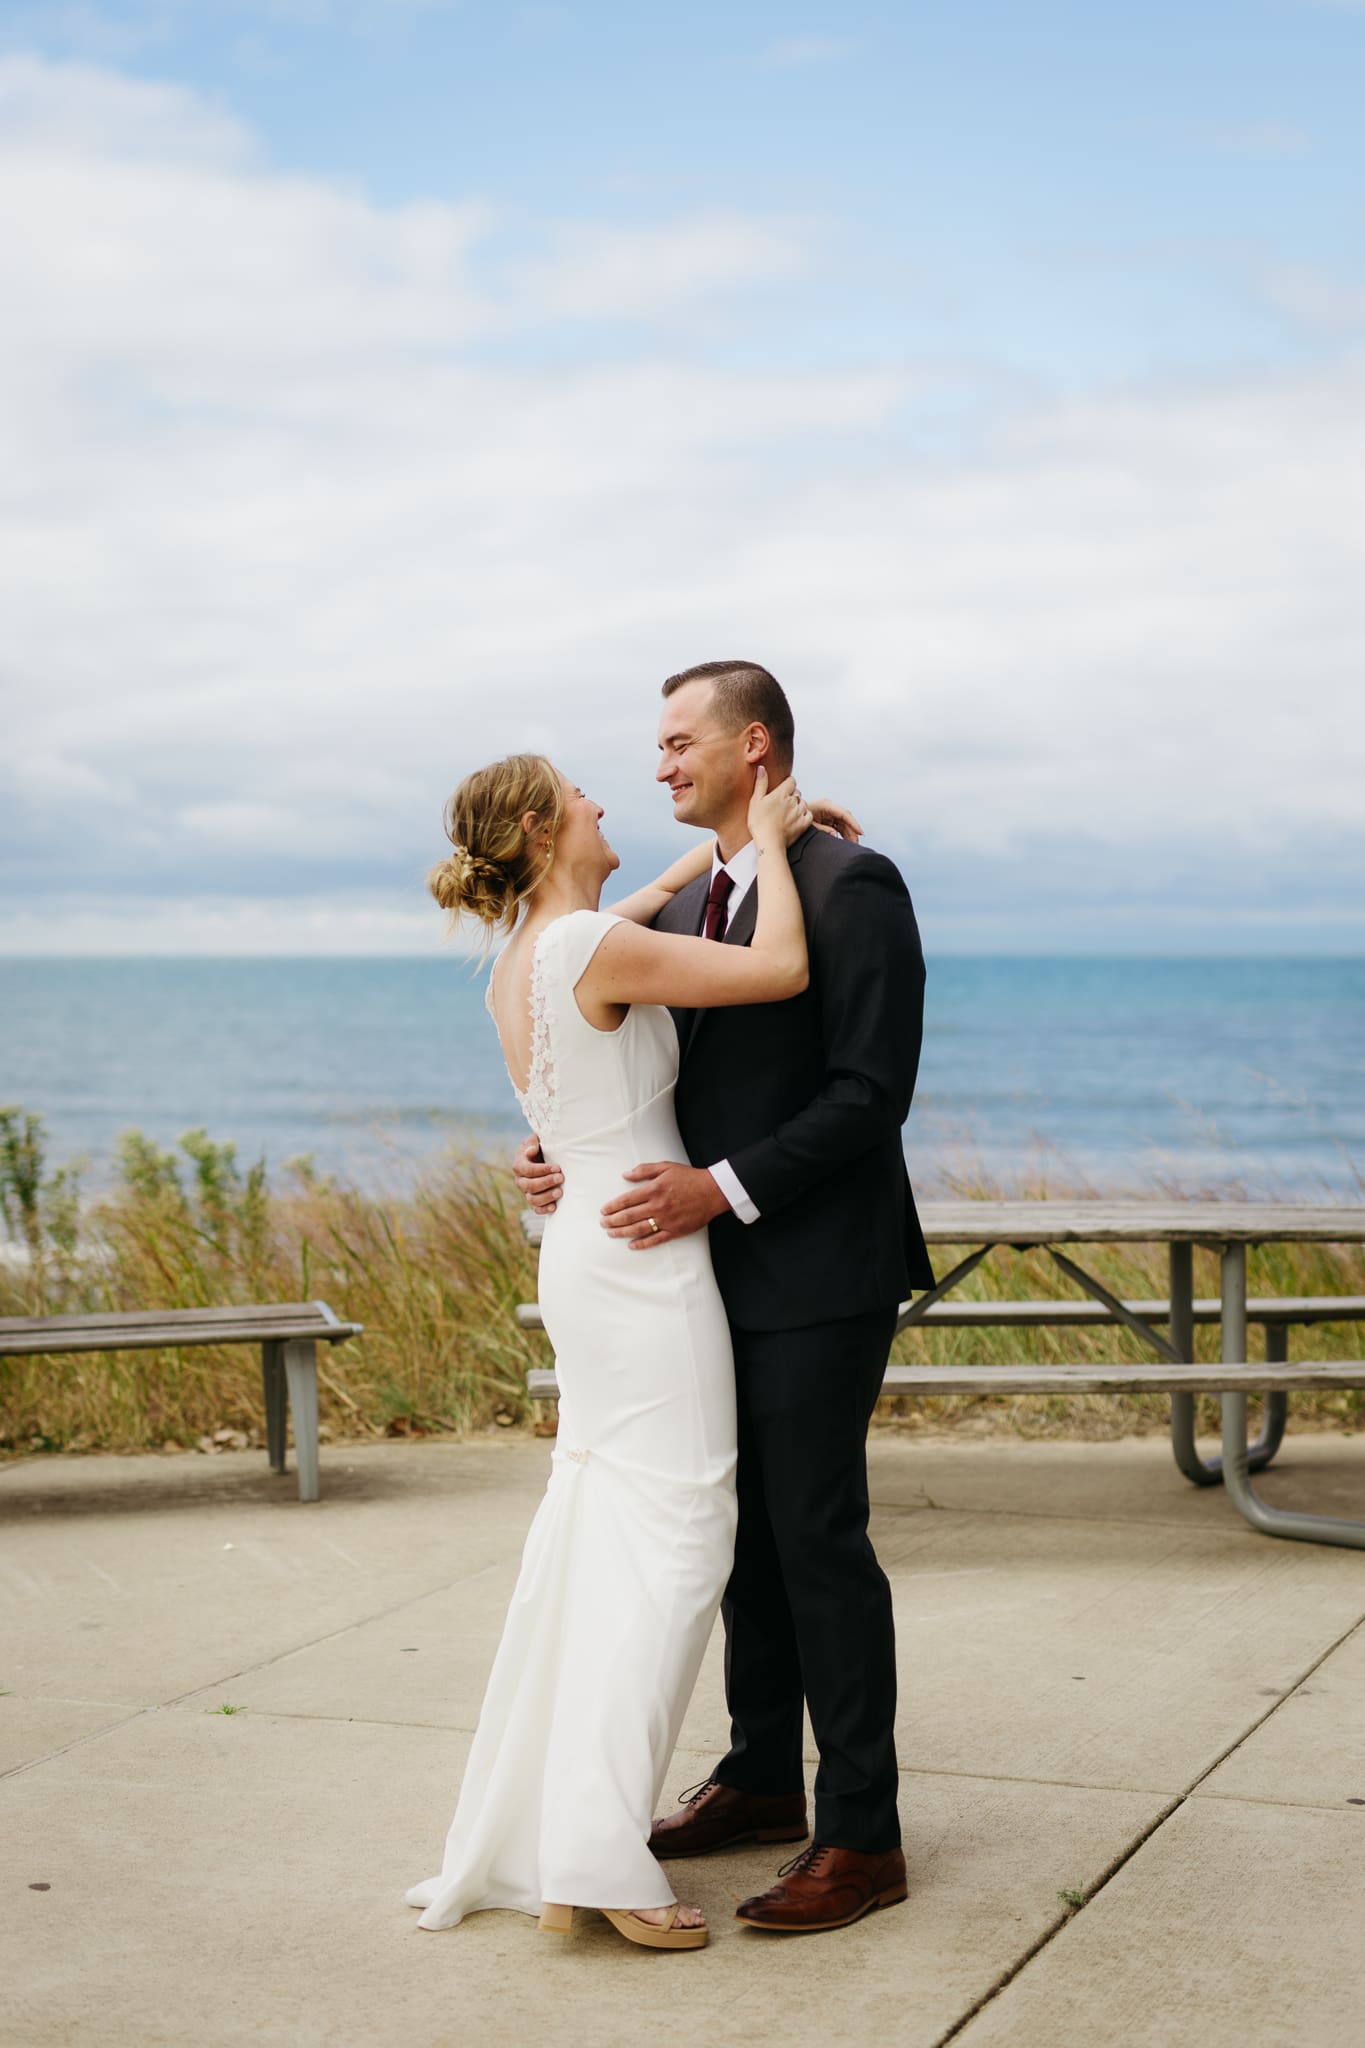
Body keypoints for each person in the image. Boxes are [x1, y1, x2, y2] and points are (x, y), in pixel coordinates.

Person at [516, 660, 934, 1935]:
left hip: (818, 1270)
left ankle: (862, 1833)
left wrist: (722, 1188)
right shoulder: (697, 895)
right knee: (740, 1538)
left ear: (752, 745)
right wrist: (565, 1149)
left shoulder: (853, 886)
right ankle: (759, 1777)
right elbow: (636, 1064)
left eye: (678, 740)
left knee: (814, 1538)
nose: (658, 765)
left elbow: (870, 1094)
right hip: (701, 1278)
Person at [405, 750, 813, 1952]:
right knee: (682, 1539)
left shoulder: (528, 958)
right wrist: (776, 844)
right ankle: (596, 1850)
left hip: (584, 1248)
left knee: (602, 1539)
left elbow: (630, 916)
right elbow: (779, 967)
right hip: (644, 1268)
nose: (603, 798)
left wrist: (728, 848)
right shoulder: (590, 949)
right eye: (579, 792)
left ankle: (567, 1828)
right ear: (541, 826)